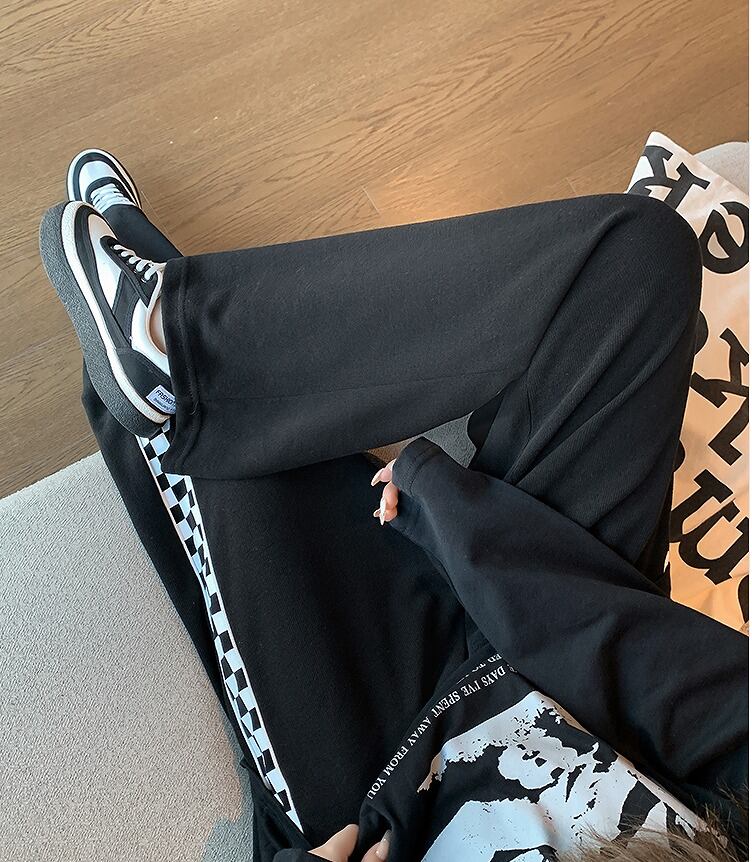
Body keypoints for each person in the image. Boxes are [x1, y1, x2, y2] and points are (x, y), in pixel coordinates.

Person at [40, 150, 748, 861]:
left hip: (390, 786)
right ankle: (176, 338)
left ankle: (166, 317)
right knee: (637, 261)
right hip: (587, 678)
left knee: (237, 470)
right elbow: (666, 676)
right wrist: (459, 520)